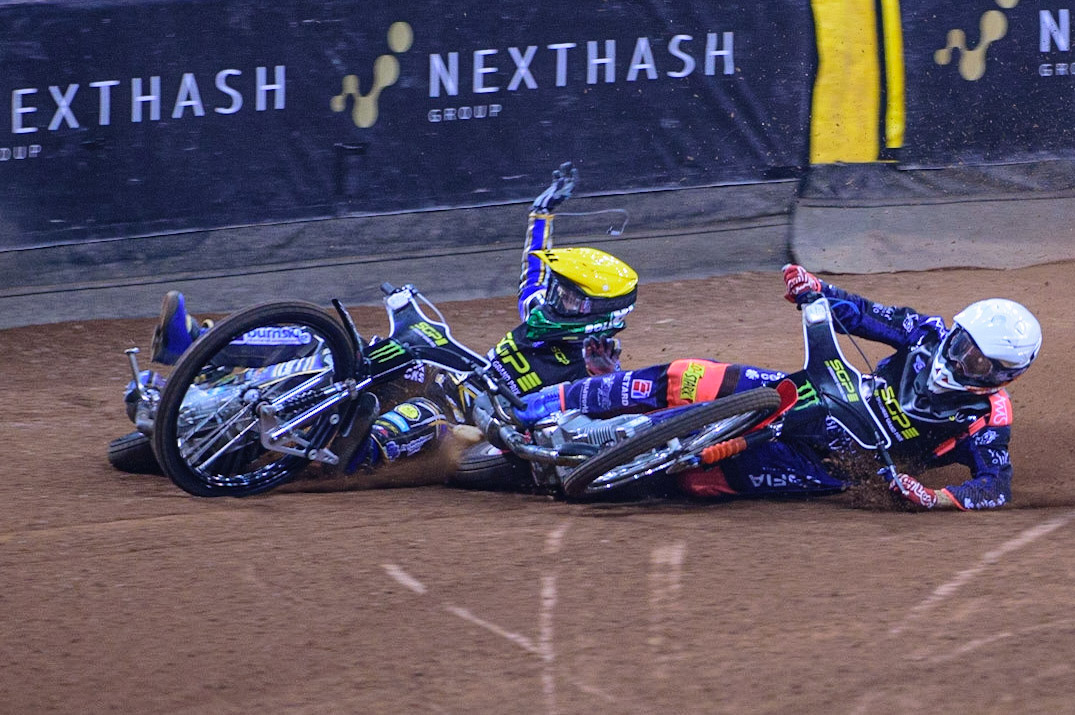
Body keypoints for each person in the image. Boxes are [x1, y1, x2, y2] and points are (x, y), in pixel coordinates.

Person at [119, 163, 638, 475]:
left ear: (599, 319)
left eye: (569, 300)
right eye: (558, 292)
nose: (554, 301)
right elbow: (531, 266)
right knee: (335, 345)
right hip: (449, 372)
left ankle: (331, 463)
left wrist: (603, 389)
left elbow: (572, 428)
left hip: (467, 417)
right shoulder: (537, 314)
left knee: (415, 420)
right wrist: (542, 211)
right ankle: (198, 350)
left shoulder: (590, 380)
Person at [513, 264, 1042, 510]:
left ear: (1002, 375)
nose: (959, 359)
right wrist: (814, 291)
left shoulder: (988, 416)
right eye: (961, 344)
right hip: (826, 389)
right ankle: (551, 400)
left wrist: (937, 497)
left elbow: (996, 484)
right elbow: (861, 313)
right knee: (688, 376)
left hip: (834, 464)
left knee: (699, 480)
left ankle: (570, 468)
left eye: (977, 362)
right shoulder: (928, 333)